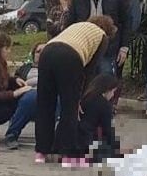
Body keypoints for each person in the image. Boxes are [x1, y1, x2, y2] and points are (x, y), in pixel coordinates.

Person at [35, 15, 116, 167]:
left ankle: (41, 151)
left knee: (45, 104)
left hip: (48, 52)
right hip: (71, 57)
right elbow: (90, 69)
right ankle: (67, 153)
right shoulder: (102, 36)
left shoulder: (79, 25)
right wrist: (80, 98)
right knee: (69, 108)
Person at [63, 0, 129, 78]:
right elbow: (69, 25)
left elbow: (126, 21)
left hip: (109, 48)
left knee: (107, 83)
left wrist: (124, 47)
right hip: (85, 49)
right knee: (86, 84)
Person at [0, 33, 37, 150]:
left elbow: (1, 80)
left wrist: (15, 80)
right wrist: (16, 93)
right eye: (6, 48)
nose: (9, 51)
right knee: (12, 107)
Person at [78, 74, 121, 164]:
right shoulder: (104, 105)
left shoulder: (86, 97)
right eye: (113, 91)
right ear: (107, 90)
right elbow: (108, 129)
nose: (113, 95)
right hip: (88, 141)